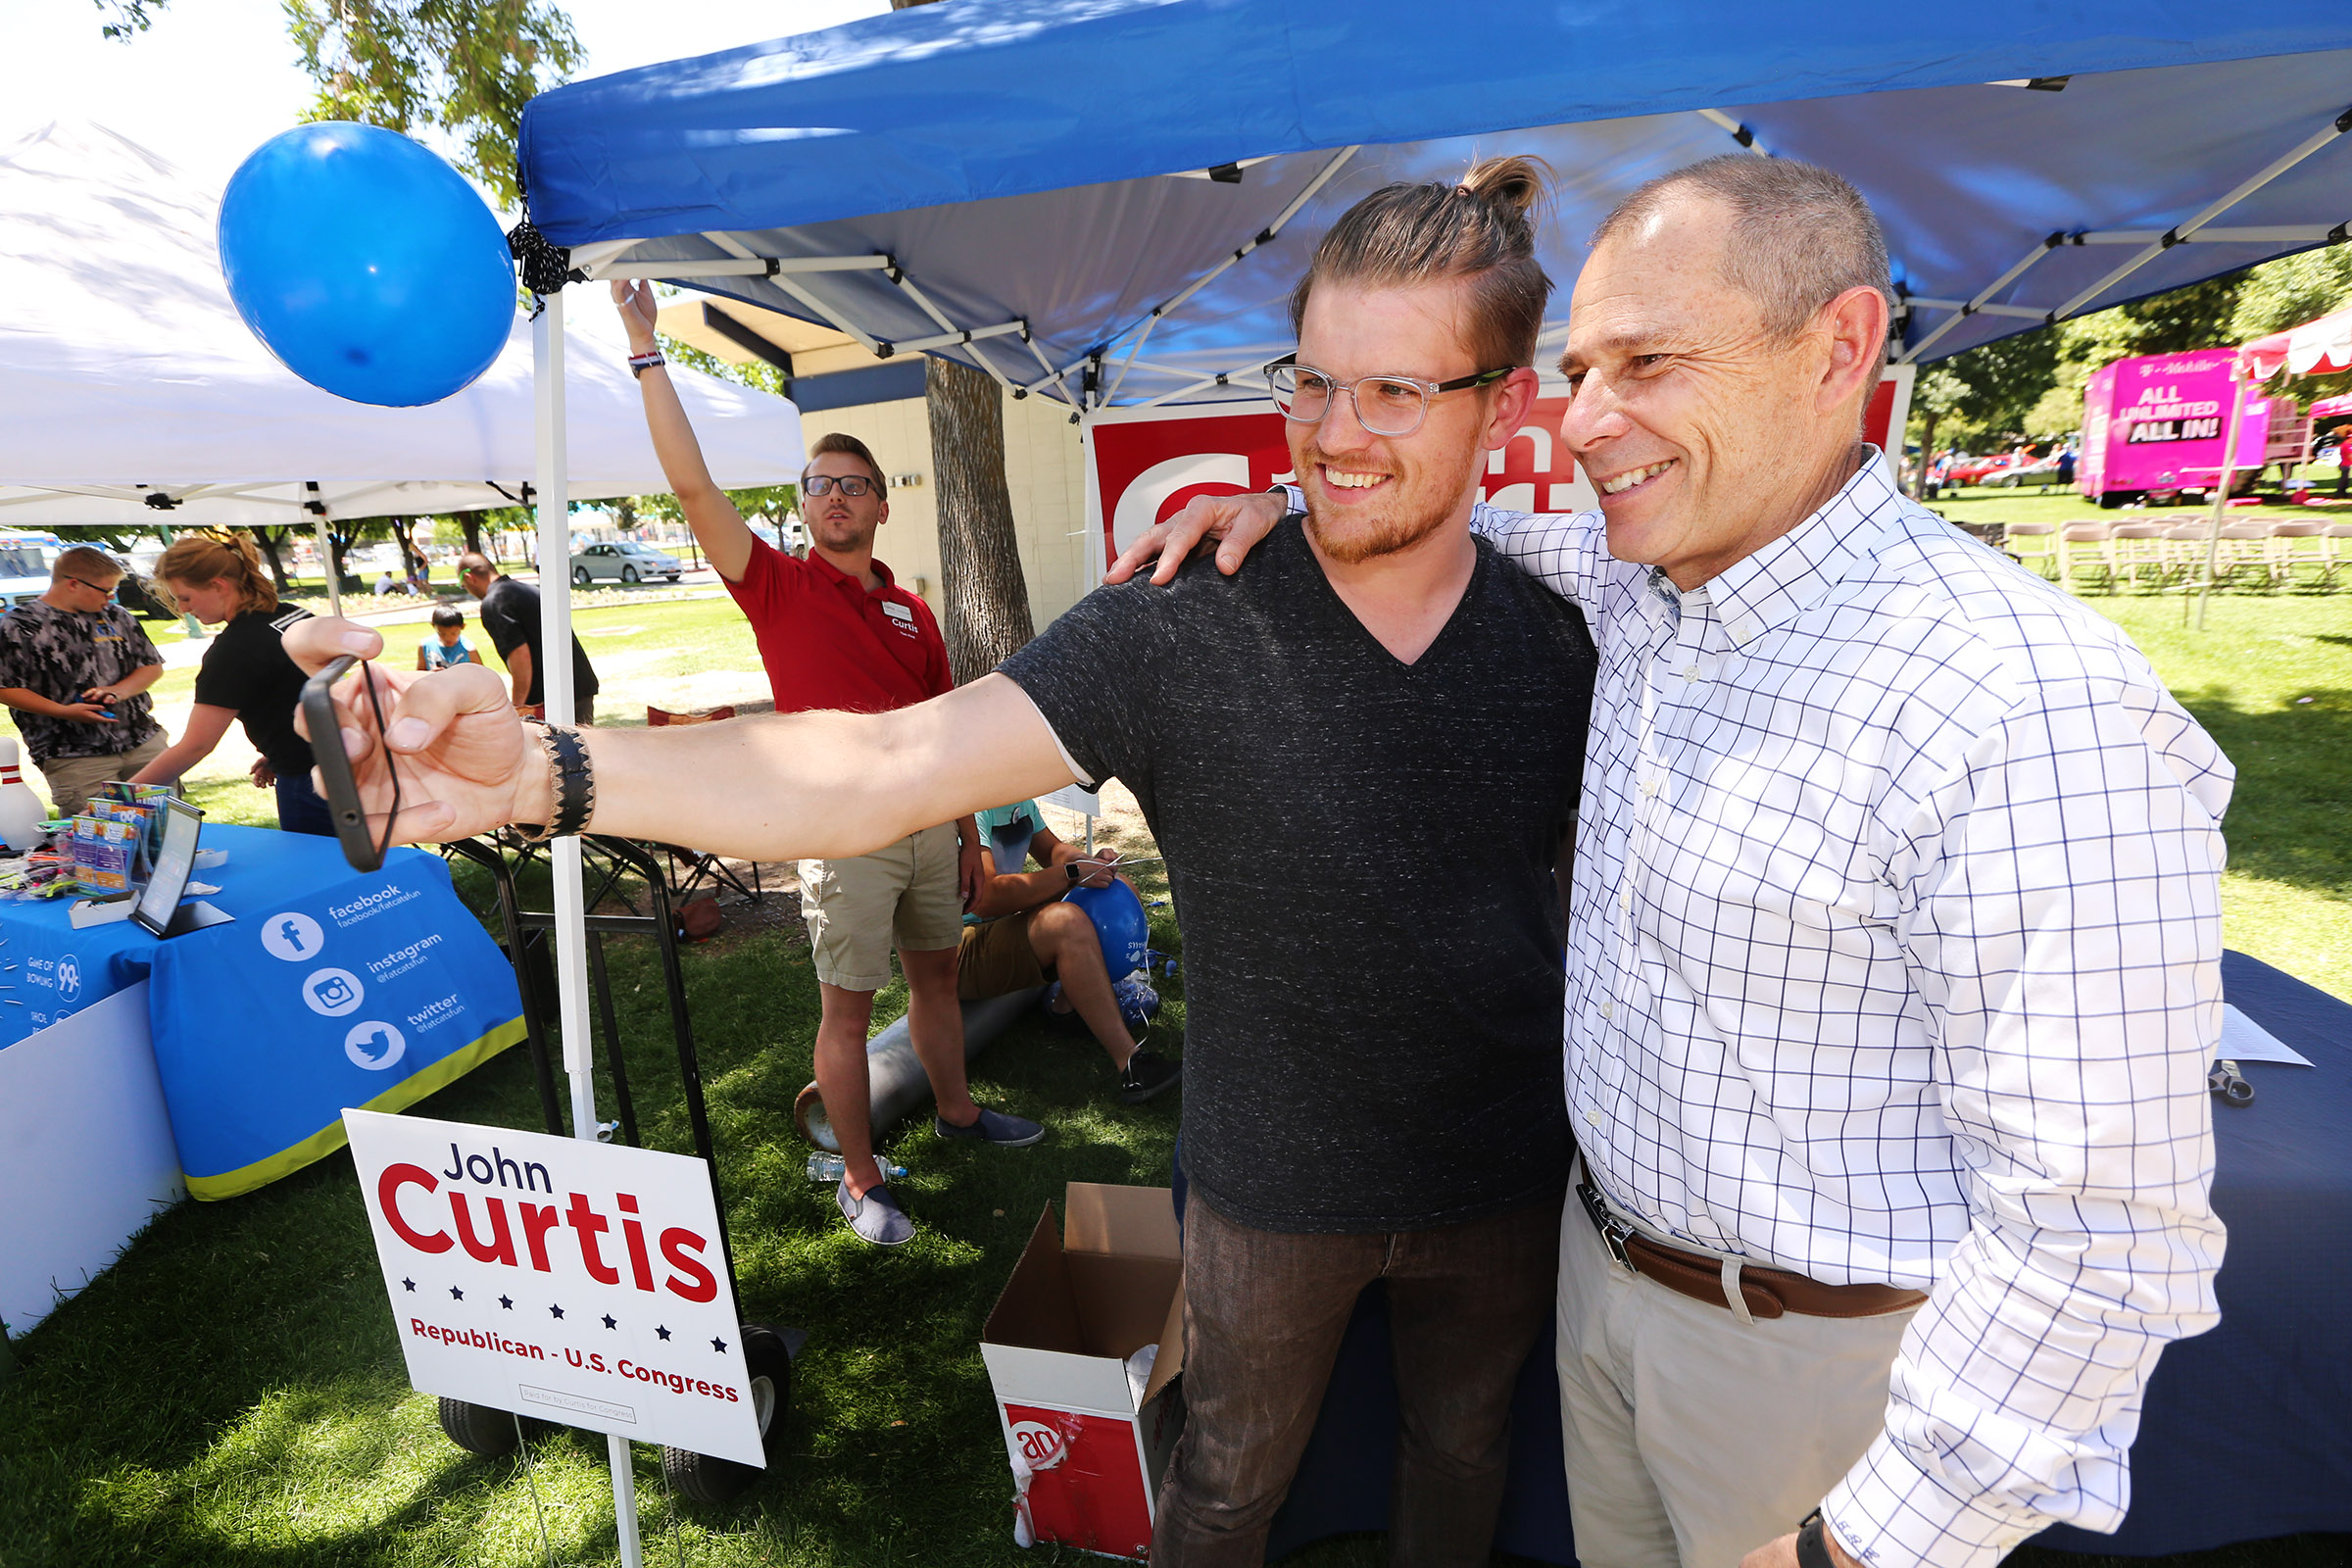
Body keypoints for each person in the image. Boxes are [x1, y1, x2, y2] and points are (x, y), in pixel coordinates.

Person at [289, 156, 1595, 1566]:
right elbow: (877, 766)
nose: (1334, 435)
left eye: (1396, 391)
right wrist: (554, 770)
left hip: (1505, 1176)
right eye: (1314, 380)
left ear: (1504, 405)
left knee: (1463, 1461)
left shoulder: (1577, 636)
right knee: (1225, 1495)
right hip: (1271, 1192)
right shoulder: (1182, 618)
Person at [1115, 154, 2230, 1568]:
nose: (1586, 423)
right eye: (1580, 371)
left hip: (1817, 1378)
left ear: (1841, 349)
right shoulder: (1652, 582)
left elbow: (2106, 1232)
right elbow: (1474, 529)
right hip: (1603, 1290)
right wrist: (1315, 502)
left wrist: (1868, 1542)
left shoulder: (2023, 699)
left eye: (1648, 362)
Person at [612, 277, 1016, 1250]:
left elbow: (943, 722)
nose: (834, 495)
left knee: (935, 984)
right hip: (839, 829)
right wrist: (645, 349)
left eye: (852, 483)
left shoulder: (911, 607)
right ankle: (861, 1178)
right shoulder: (776, 585)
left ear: (880, 503)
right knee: (847, 1011)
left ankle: (957, 1112)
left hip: (927, 825)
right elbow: (694, 490)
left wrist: (967, 835)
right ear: (804, 508)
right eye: (818, 484)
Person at [959, 800, 1181, 1103]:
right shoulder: (973, 805)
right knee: (1067, 923)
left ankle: (1068, 1007)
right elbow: (987, 897)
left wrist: (1089, 863)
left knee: (1120, 886)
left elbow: (1052, 851)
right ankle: (1132, 1066)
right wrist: (1072, 872)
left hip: (999, 925)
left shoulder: (1016, 795)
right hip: (956, 945)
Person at [130, 534, 333, 835]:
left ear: (218, 585)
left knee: (330, 873)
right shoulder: (291, 615)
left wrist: (118, 798)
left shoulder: (234, 650)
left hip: (309, 783)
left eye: (185, 598)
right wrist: (280, 749)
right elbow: (297, 691)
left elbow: (196, 745)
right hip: (346, 763)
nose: (184, 609)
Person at [0, 546, 170, 817]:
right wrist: (64, 712)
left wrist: (117, 692)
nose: (110, 597)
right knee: (100, 846)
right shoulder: (20, 625)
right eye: (105, 590)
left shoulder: (118, 617)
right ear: (73, 584)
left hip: (143, 742)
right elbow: (6, 688)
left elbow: (151, 665)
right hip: (74, 756)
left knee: (167, 831)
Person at [455, 554, 600, 724]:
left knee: (550, 750)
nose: (469, 591)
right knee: (582, 748)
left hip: (548, 699)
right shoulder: (528, 590)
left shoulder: (494, 603)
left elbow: (520, 656)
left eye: (464, 586)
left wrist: (517, 707)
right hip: (579, 685)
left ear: (469, 577)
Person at [417, 607, 481, 671]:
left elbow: (482, 674)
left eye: (453, 633)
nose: (448, 638)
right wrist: (431, 673)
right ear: (433, 625)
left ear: (463, 626)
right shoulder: (425, 646)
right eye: (442, 634)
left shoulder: (469, 649)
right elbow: (419, 674)